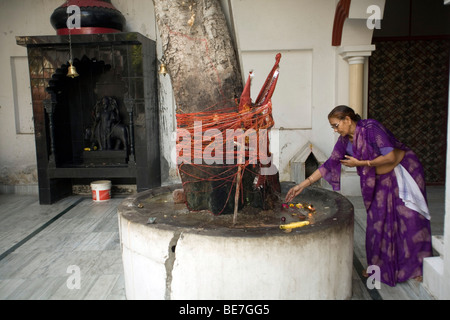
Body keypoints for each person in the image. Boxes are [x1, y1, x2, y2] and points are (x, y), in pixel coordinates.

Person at [285, 105, 433, 287]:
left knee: (409, 218)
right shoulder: (343, 140)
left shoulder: (371, 129)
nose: (335, 129)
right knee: (378, 222)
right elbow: (330, 164)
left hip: (402, 172)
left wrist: (361, 163)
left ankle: (417, 267)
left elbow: (390, 156)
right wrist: (302, 185)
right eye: (333, 126)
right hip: (381, 178)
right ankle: (379, 268)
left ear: (348, 119)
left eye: (336, 125)